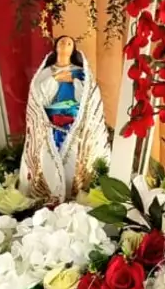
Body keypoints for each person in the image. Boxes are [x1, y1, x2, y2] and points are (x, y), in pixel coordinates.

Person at [18, 35, 110, 204]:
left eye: (69, 43)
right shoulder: (47, 73)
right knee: (47, 157)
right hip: (51, 123)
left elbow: (88, 95)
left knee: (74, 157)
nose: (65, 45)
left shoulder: (81, 72)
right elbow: (39, 97)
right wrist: (55, 79)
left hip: (74, 123)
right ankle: (50, 194)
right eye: (62, 42)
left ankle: (75, 194)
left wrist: (74, 80)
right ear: (56, 47)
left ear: (73, 49)